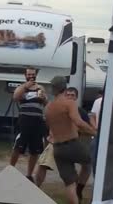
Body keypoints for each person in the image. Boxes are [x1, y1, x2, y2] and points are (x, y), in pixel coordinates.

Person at [45, 76, 97, 204]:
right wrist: (95, 132)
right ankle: (83, 190)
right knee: (90, 163)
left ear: (54, 89)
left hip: (57, 149)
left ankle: (76, 194)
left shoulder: (48, 108)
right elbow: (78, 122)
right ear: (65, 87)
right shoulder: (69, 103)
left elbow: (50, 128)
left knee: (69, 184)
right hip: (72, 145)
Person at [35, 87, 92, 189]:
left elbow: (86, 128)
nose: (70, 97)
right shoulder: (56, 108)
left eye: (72, 95)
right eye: (68, 95)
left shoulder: (81, 112)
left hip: (73, 144)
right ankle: (36, 188)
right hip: (55, 142)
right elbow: (48, 125)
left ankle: (79, 190)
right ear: (64, 96)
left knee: (87, 165)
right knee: (43, 164)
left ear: (76, 98)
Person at [10, 67, 47, 182]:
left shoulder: (40, 87)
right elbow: (15, 97)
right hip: (24, 120)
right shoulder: (22, 87)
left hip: (37, 121)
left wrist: (44, 98)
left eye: (33, 75)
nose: (31, 76)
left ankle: (29, 174)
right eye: (29, 75)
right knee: (18, 147)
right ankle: (10, 169)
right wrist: (27, 85)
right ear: (25, 76)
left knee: (34, 150)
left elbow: (46, 103)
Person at [89, 89, 103, 175]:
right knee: (95, 161)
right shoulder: (98, 101)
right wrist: (96, 129)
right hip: (97, 135)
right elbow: (92, 116)